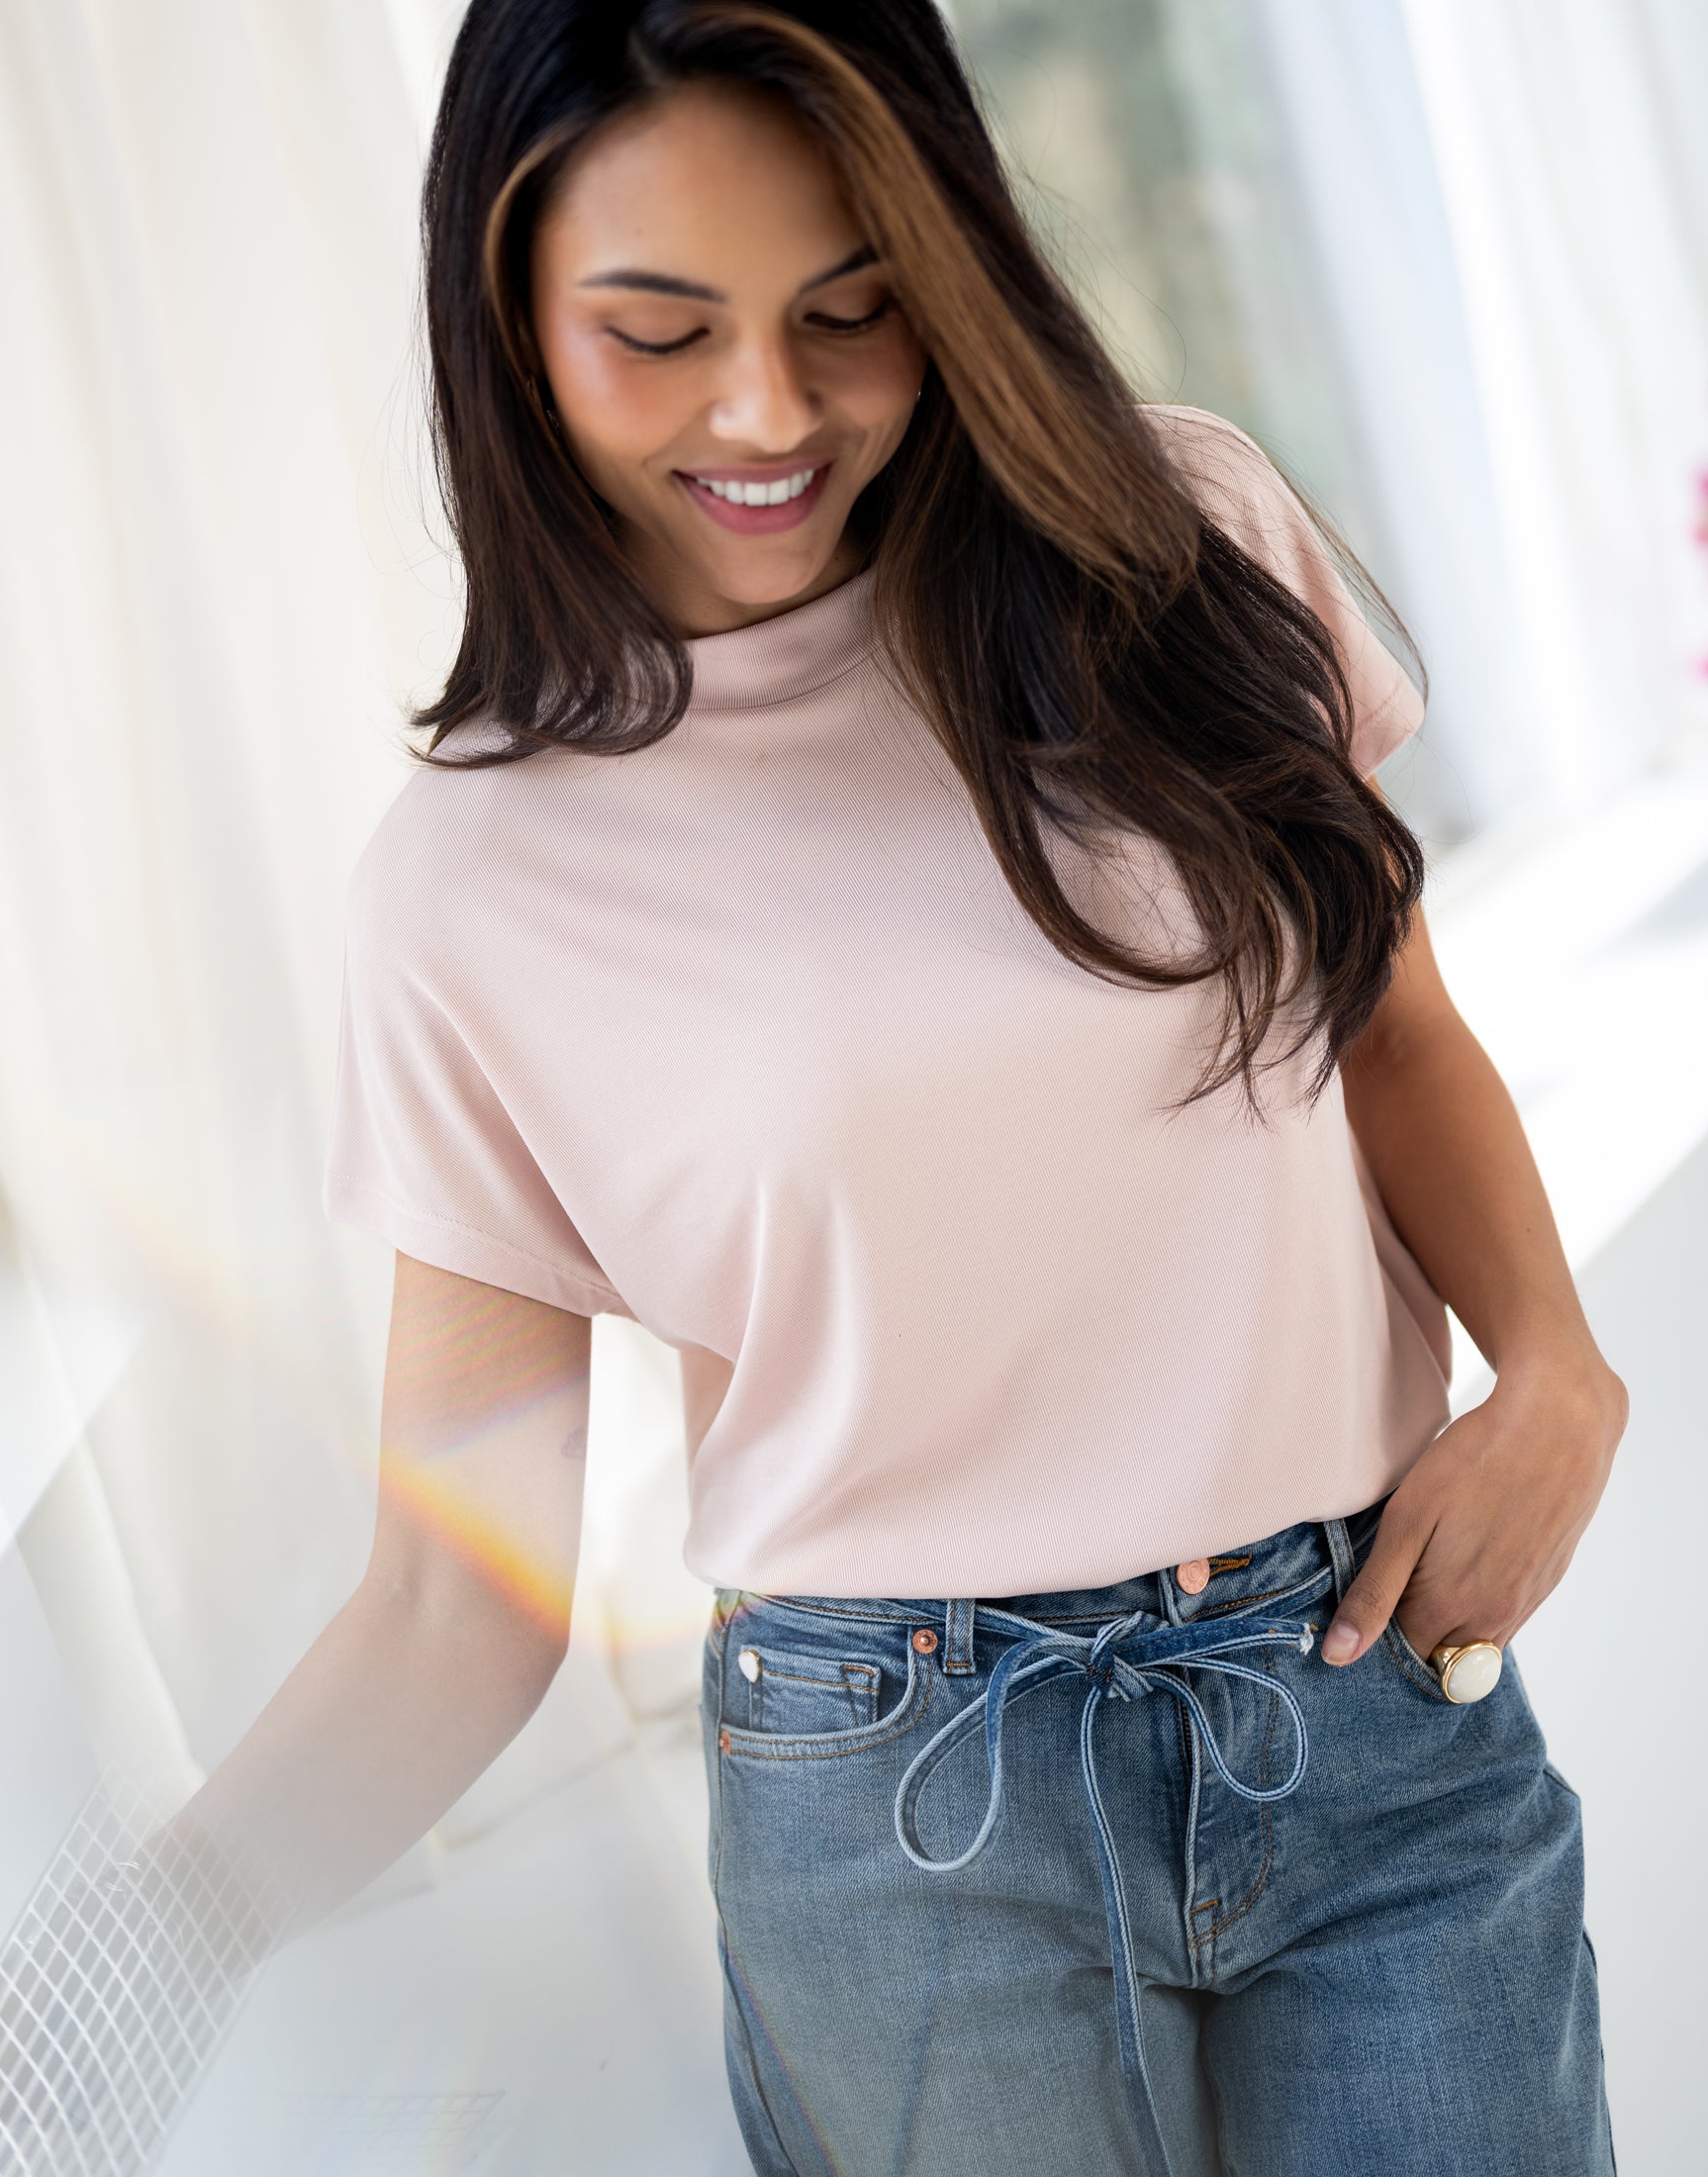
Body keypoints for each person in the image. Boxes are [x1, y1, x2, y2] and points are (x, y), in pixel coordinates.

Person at [176, 4, 1626, 2172]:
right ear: (506, 321)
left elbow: (1391, 1025)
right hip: (903, 1815)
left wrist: (1557, 1371)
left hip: (1370, 1714)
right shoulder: (474, 877)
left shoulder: (1183, 542)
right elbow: (456, 1582)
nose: (767, 410)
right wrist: (149, 1938)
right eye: (656, 331)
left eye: (850, 310)